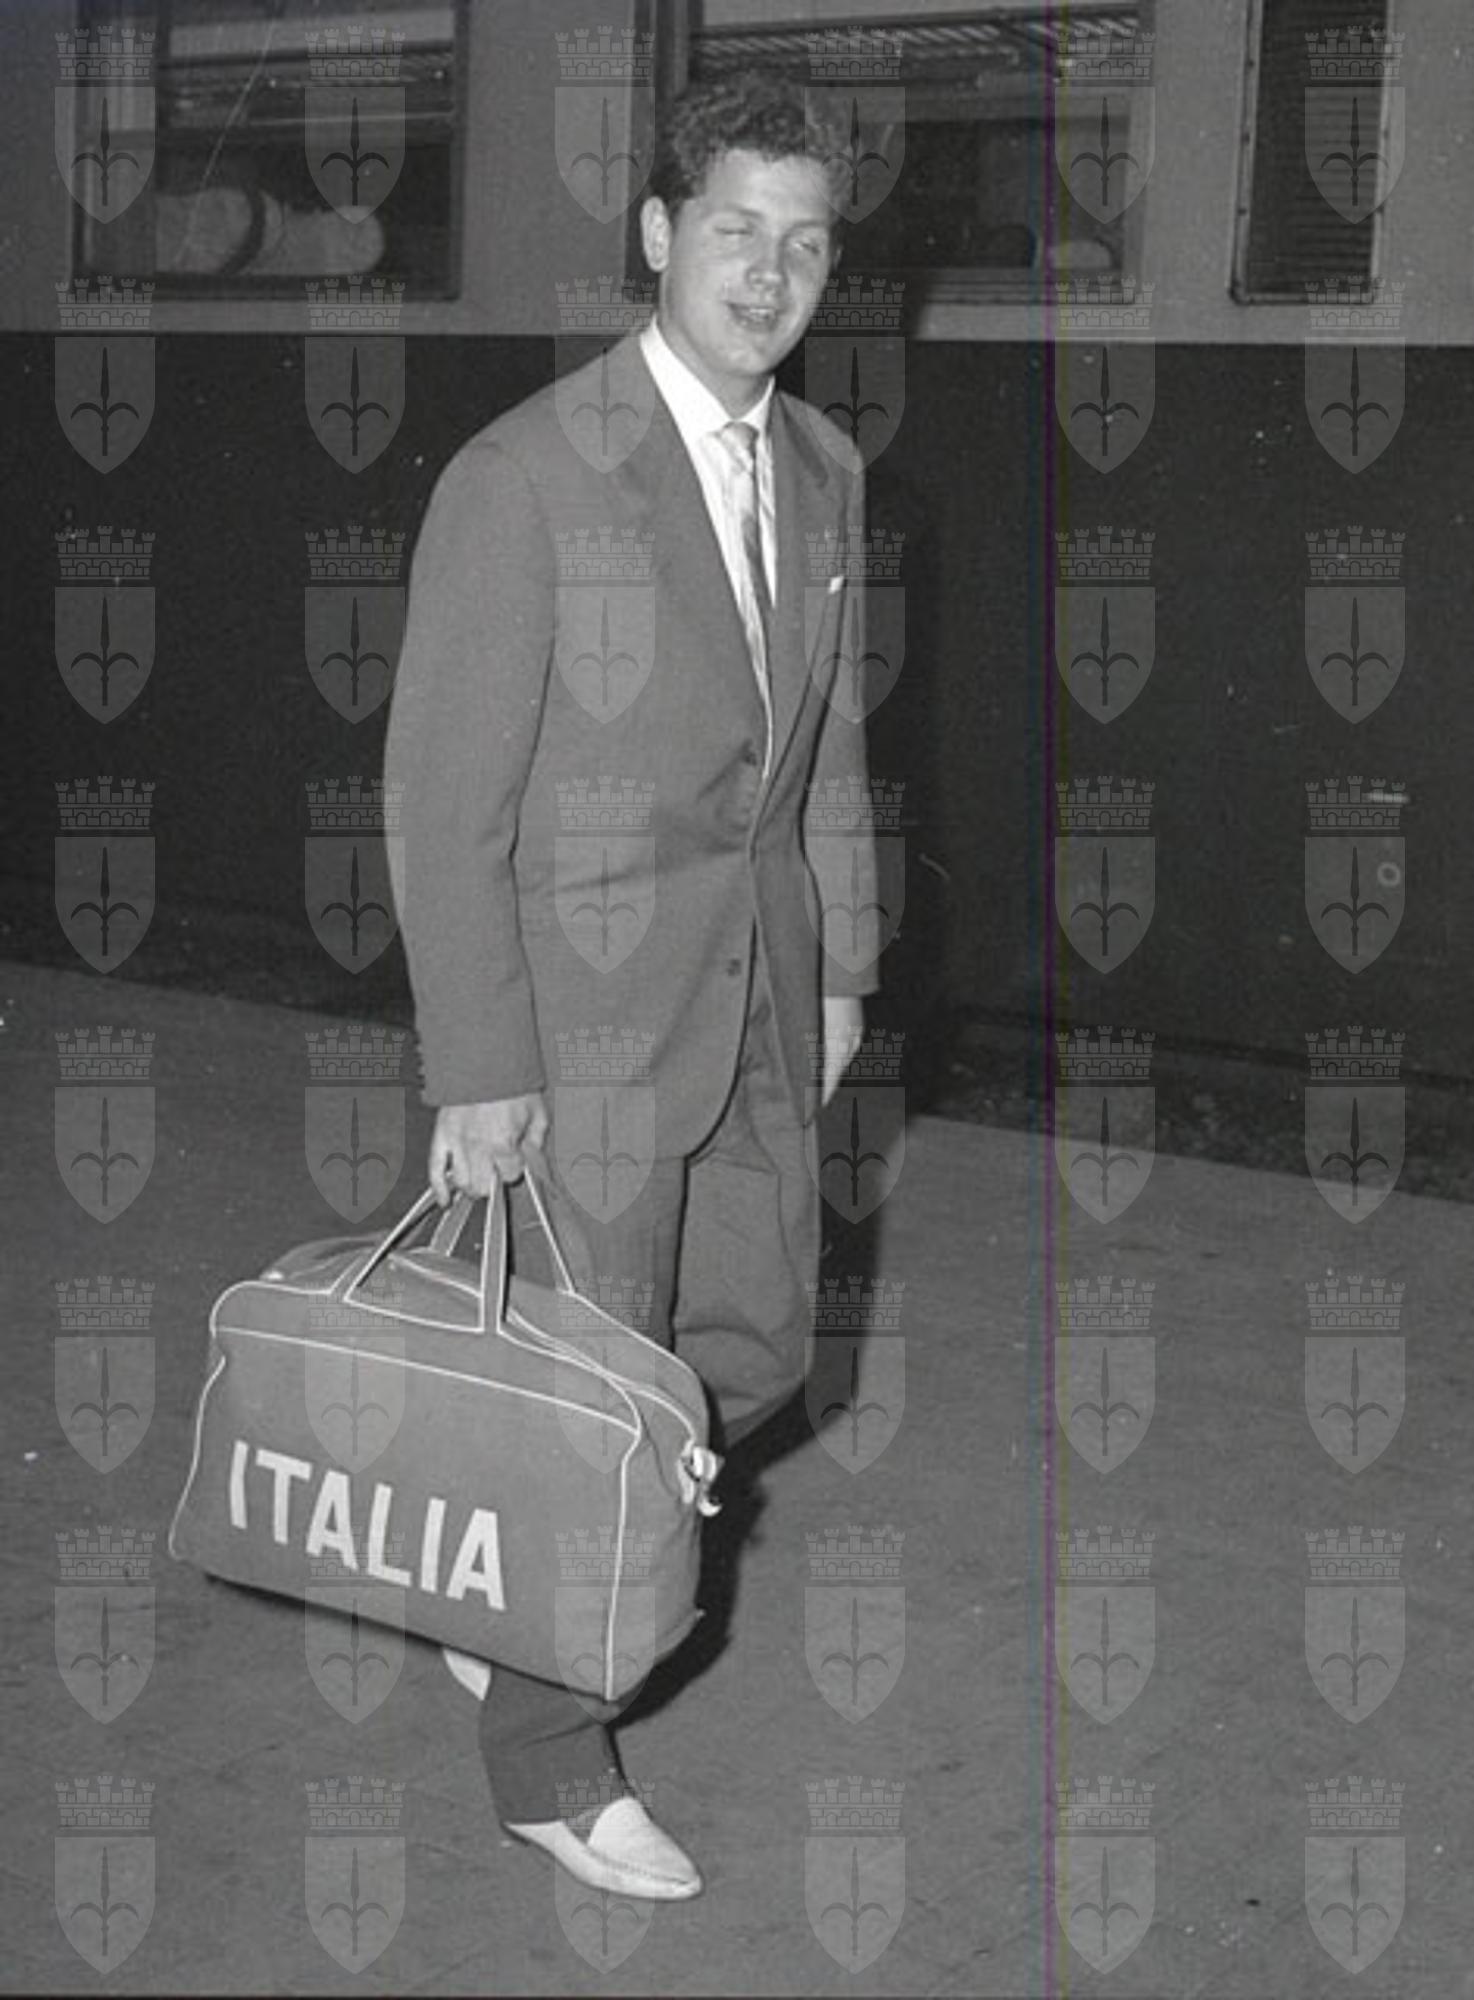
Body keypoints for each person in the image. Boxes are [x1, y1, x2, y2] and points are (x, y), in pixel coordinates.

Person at [382, 71, 874, 1901]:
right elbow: (443, 802)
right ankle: (548, 1759)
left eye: (805, 243)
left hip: (760, 997)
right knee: (593, 1410)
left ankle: (504, 1586)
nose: (769, 274)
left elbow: (822, 751)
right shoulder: (525, 474)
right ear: (660, 235)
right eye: (735, 229)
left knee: (756, 1348)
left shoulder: (821, 470)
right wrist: (480, 1068)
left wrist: (842, 967)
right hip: (578, 1022)